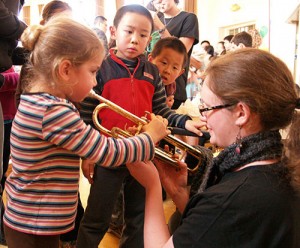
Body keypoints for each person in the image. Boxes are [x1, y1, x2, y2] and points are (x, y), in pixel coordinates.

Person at [3, 17, 170, 248]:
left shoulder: (41, 102)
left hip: (32, 218)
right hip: (35, 223)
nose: (94, 82)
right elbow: (109, 153)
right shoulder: (52, 110)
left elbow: (91, 143)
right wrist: (150, 136)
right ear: (65, 70)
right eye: (92, 72)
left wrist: (134, 138)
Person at [126, 48, 300, 247]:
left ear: (241, 113)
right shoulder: (280, 164)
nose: (202, 116)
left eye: (207, 107)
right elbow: (219, 232)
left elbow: (220, 216)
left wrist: (152, 186)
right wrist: (179, 193)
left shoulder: (233, 198)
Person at [77, 4, 204, 248]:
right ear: (114, 31)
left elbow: (161, 112)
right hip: (108, 153)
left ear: (150, 38)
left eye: (143, 35)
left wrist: (185, 121)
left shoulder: (151, 72)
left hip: (144, 156)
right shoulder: (101, 67)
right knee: (97, 218)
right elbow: (87, 113)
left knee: (138, 217)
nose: (135, 40)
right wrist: (88, 154)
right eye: (129, 32)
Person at [150, 0, 199, 109]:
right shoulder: (154, 19)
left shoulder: (188, 18)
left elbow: (181, 50)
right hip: (151, 86)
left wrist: (160, 26)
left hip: (173, 89)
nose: (158, 2)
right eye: (154, 0)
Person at [148, 37, 187, 108]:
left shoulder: (171, 87)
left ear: (180, 73)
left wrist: (166, 108)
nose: (168, 71)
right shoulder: (143, 82)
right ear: (150, 60)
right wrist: (161, 107)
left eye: (174, 68)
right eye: (164, 63)